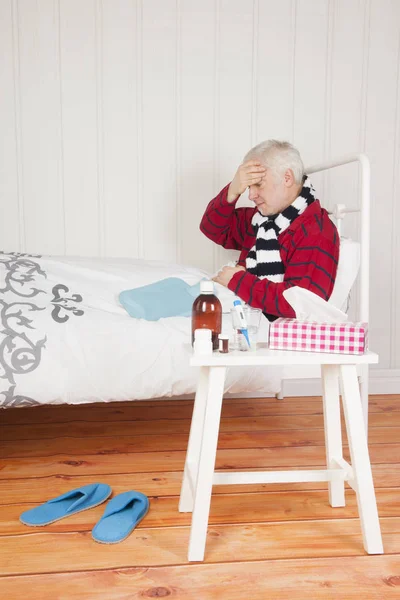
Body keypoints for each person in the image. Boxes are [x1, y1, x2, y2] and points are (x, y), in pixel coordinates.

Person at [200, 140, 340, 320]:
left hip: (264, 327)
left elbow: (300, 303)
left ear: (287, 178)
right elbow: (211, 228)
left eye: (258, 185)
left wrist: (237, 280)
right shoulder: (261, 220)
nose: (251, 195)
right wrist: (233, 190)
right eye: (248, 187)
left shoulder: (316, 232)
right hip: (240, 311)